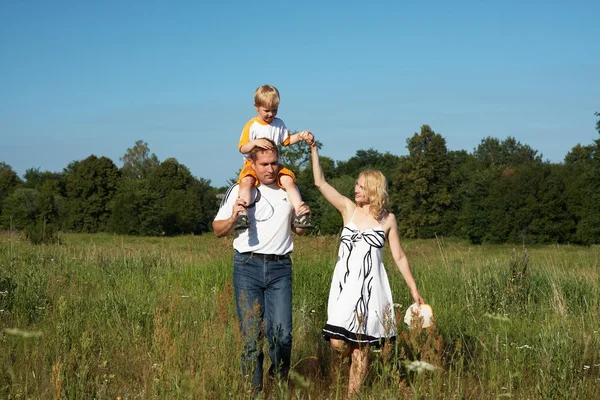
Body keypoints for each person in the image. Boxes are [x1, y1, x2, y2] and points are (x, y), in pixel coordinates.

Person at [309, 143, 424, 398]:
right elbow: (320, 183)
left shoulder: (388, 219)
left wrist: (413, 288)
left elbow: (399, 256)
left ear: (373, 189)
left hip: (371, 290)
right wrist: (314, 151)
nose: (356, 188)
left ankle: (353, 394)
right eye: (356, 185)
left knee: (362, 347)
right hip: (344, 288)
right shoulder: (348, 210)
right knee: (339, 342)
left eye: (361, 186)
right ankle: (352, 366)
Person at [213, 139, 312, 393]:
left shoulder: (289, 190)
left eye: (274, 163)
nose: (270, 169)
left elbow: (299, 231)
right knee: (251, 337)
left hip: (280, 268)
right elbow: (217, 230)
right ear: (252, 165)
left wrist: (303, 220)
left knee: (283, 335)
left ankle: (278, 380)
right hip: (247, 265)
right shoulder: (240, 190)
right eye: (264, 164)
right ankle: (253, 392)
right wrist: (235, 216)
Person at [234, 84, 315, 231]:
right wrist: (255, 143)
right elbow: (241, 148)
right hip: (252, 164)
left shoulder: (279, 124)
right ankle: (242, 212)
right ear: (256, 107)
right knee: (246, 181)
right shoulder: (252, 125)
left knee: (288, 180)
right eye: (266, 110)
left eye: (274, 110)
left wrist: (301, 136)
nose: (271, 114)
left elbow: (286, 141)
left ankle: (300, 212)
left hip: (274, 163)